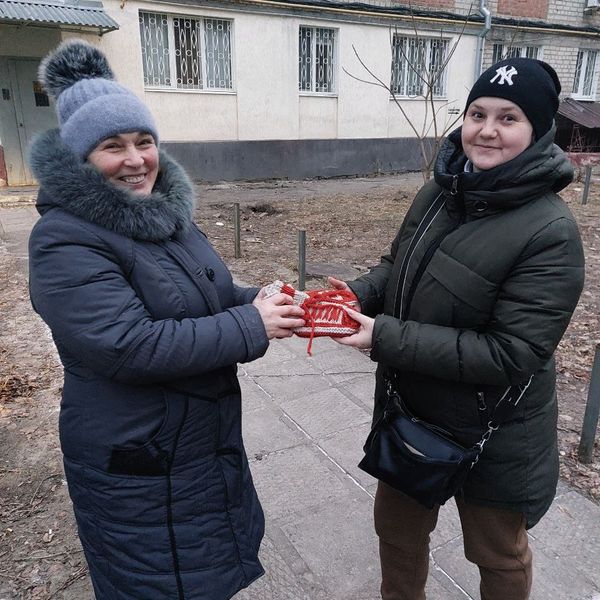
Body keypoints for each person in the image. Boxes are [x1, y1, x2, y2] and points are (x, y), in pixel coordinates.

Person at [28, 40, 305, 600]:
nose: (136, 160)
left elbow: (209, 292)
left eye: (144, 141)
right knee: (160, 582)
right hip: (140, 460)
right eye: (113, 146)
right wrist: (253, 325)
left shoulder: (163, 217)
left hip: (193, 445)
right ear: (81, 158)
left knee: (201, 572)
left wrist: (268, 300)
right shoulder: (64, 237)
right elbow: (128, 345)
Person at [330, 57, 585, 600]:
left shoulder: (551, 232)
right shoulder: (441, 191)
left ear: (538, 131)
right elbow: (395, 265)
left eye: (508, 118)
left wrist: (383, 337)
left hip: (496, 428)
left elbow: (510, 354)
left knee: (496, 555)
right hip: (412, 407)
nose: (487, 130)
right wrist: (349, 297)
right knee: (397, 534)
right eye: (477, 113)